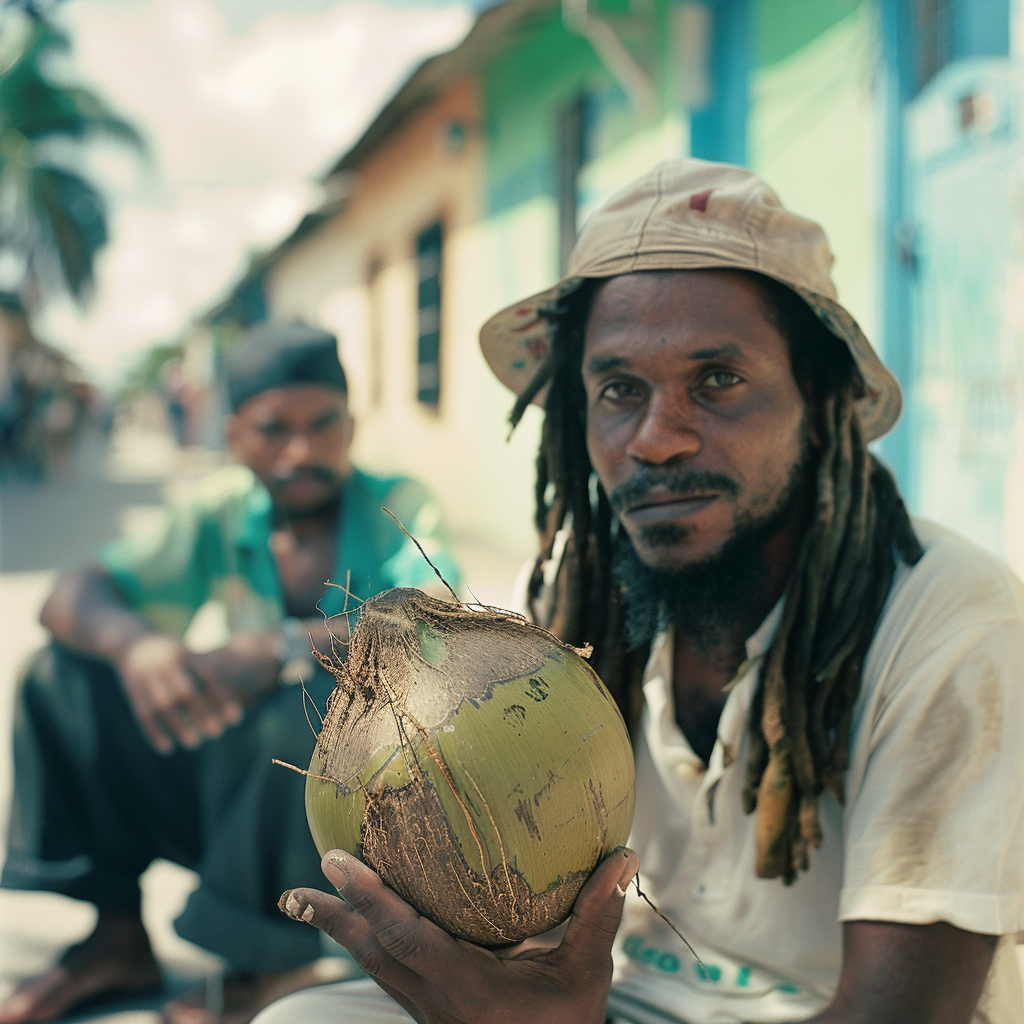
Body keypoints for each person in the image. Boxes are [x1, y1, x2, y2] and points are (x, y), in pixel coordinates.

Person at [252, 160, 1024, 1024]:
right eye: (619, 390)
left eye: (719, 380)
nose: (655, 439)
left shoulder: (949, 618)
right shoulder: (564, 592)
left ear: (820, 397)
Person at [0, 322, 460, 1024]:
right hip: (243, 796)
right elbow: (70, 597)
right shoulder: (220, 509)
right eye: (273, 429)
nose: (300, 450)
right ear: (236, 435)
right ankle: (116, 936)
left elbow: (438, 619)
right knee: (59, 676)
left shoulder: (399, 502)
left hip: (379, 814)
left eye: (321, 424)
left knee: (308, 698)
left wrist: (279, 646)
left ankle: (269, 964)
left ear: (351, 424)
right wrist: (137, 649)